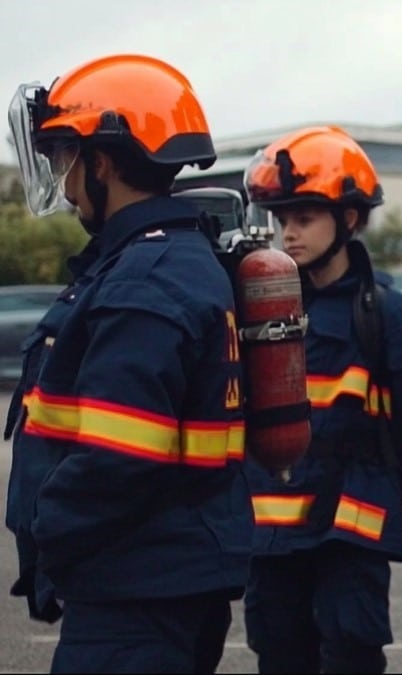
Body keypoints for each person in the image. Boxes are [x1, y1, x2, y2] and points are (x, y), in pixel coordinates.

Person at [4, 54, 249, 672]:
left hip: (136, 593)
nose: (63, 181)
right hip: (154, 578)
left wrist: (50, 530)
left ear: (103, 162)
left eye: (65, 158)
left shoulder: (146, 278)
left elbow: (120, 456)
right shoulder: (161, 262)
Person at [241, 125, 402, 673]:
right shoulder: (261, 310)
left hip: (347, 529)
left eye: (304, 218)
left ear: (349, 219)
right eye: (282, 220)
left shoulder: (385, 312)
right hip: (274, 532)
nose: (289, 234)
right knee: (279, 653)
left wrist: (378, 477)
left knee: (350, 651)